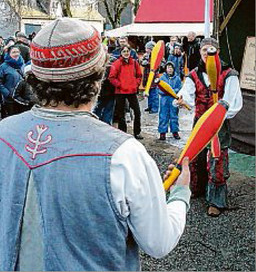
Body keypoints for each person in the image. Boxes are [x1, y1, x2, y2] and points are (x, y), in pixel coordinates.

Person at [0, 18, 191, 271]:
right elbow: (159, 242)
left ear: (34, 77)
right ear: (97, 77)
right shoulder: (124, 153)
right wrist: (180, 193)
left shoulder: (4, 133)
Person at [177, 37, 243, 217]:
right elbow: (188, 93)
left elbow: (233, 101)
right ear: (200, 52)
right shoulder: (194, 74)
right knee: (195, 157)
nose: (206, 53)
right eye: (204, 50)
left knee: (217, 160)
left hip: (219, 124)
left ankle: (216, 200)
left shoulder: (229, 74)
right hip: (199, 121)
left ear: (217, 52)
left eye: (210, 50)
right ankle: (197, 189)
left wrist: (220, 112)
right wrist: (182, 99)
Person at [109, 44, 143, 139]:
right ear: (121, 53)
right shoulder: (117, 63)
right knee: (121, 114)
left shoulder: (134, 63)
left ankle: (137, 132)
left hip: (132, 91)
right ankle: (123, 132)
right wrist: (120, 85)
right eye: (124, 51)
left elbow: (139, 75)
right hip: (120, 92)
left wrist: (136, 84)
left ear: (130, 52)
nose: (126, 53)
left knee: (137, 112)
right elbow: (111, 77)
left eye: (127, 51)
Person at [158, 61, 182, 141]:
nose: (170, 69)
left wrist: (173, 91)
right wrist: (165, 92)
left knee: (174, 115)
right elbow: (159, 89)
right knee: (163, 116)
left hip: (173, 99)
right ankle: (162, 132)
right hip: (164, 100)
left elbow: (180, 88)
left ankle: (175, 131)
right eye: (168, 67)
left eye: (171, 67)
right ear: (166, 69)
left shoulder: (177, 78)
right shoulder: (162, 78)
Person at [0, 45, 25, 117]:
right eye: (13, 52)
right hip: (10, 100)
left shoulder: (22, 64)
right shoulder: (3, 67)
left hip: (21, 98)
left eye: (17, 52)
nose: (16, 54)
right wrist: (7, 93)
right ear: (9, 54)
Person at [94, 55, 116, 125]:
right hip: (111, 93)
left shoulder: (99, 67)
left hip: (101, 93)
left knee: (97, 111)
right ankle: (106, 126)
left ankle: (96, 125)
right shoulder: (114, 67)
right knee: (108, 112)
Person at [141, 40, 159, 114]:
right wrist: (143, 62)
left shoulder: (156, 56)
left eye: (148, 48)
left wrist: (148, 63)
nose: (146, 50)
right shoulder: (146, 55)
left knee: (154, 94)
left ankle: (155, 108)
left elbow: (159, 65)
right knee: (148, 92)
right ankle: (150, 106)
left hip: (153, 77)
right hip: (147, 76)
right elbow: (142, 63)